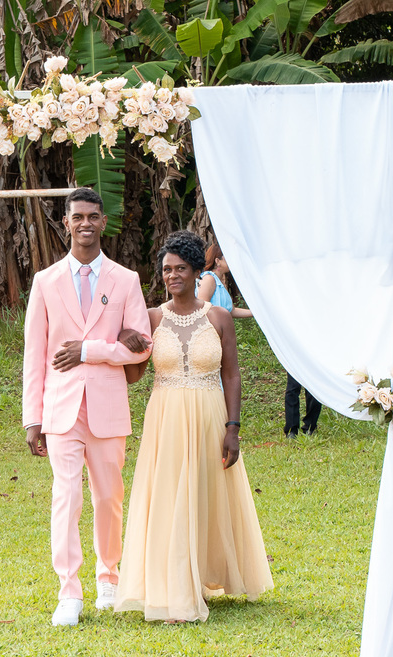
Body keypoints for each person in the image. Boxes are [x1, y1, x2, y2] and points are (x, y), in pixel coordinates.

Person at [115, 230, 272, 623]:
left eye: (180, 268)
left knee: (204, 492)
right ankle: (173, 590)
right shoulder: (151, 318)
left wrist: (232, 428)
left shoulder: (218, 317)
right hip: (165, 417)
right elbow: (134, 374)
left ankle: (202, 574)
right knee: (170, 495)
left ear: (196, 269)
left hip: (209, 414)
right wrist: (125, 339)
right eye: (166, 269)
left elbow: (232, 375)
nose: (172, 276)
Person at [22, 187, 152, 627]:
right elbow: (35, 354)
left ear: (103, 222)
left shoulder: (126, 279)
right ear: (66, 222)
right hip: (60, 408)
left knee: (109, 497)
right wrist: (32, 419)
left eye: (93, 216)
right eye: (78, 217)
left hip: (107, 406)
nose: (86, 224)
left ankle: (109, 578)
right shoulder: (45, 282)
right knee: (67, 496)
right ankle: (68, 592)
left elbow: (141, 348)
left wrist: (90, 350)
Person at [197, 242, 253, 319]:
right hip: (211, 329)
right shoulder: (209, 279)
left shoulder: (220, 281)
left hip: (222, 328)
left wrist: (256, 313)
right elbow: (201, 309)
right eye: (227, 258)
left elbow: (232, 311)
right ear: (217, 261)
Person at [284, 372, 322, 437]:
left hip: (313, 363)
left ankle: (310, 427)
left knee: (313, 392)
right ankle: (292, 429)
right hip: (295, 362)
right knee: (292, 390)